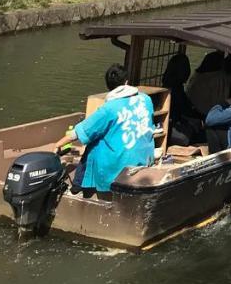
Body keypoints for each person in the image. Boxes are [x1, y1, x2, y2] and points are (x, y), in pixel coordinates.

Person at [57, 64, 155, 195]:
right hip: (145, 157)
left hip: (119, 165)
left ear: (108, 85)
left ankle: (78, 186)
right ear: (126, 82)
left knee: (93, 142)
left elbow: (80, 132)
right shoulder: (146, 99)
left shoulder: (109, 108)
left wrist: (58, 145)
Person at [161, 53, 204, 146]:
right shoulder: (175, 90)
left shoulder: (169, 84)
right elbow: (186, 110)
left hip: (172, 124)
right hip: (173, 128)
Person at [187, 50, 229, 115]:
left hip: (193, 109)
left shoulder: (196, 76)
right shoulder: (217, 77)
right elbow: (219, 101)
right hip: (207, 114)